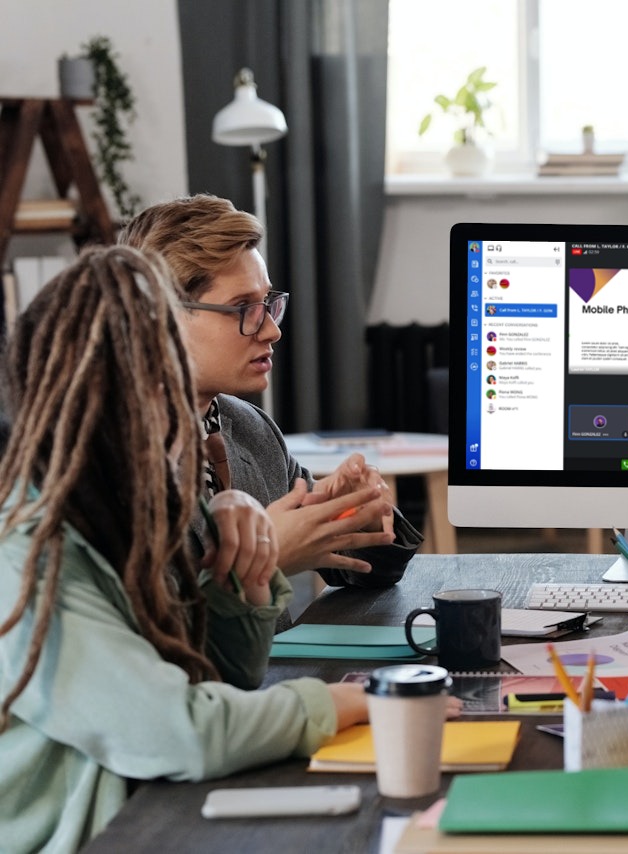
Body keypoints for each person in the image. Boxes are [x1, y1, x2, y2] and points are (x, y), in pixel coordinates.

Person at [0, 247, 370, 852]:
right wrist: (336, 703)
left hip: (155, 810)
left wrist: (241, 577)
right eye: (165, 395)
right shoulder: (28, 554)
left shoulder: (136, 499)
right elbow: (180, 731)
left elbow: (223, 680)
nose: (185, 421)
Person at [118, 195, 423, 600]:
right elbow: (133, 638)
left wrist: (354, 516)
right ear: (159, 314)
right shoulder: (107, 457)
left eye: (267, 304)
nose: (271, 331)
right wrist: (265, 560)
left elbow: (360, 573)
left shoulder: (249, 427)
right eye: (243, 307)